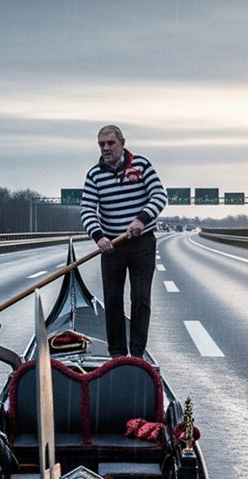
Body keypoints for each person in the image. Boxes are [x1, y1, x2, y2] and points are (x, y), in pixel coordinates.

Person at [79, 125, 167, 358]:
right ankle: (117, 355)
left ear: (122, 143)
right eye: (101, 144)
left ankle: (137, 354)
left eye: (110, 143)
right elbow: (87, 209)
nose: (106, 148)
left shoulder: (142, 166)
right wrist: (99, 237)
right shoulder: (94, 175)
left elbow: (159, 195)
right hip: (112, 247)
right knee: (113, 301)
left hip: (141, 242)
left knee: (140, 298)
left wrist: (141, 219)